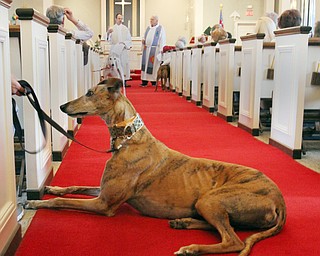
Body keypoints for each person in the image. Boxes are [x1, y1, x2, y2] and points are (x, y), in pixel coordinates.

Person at [105, 13, 132, 82]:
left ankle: (124, 80)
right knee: (115, 65)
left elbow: (129, 39)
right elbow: (108, 39)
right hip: (115, 49)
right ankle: (116, 80)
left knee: (123, 64)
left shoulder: (125, 29)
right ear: (115, 19)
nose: (120, 20)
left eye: (121, 18)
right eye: (119, 18)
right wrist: (108, 33)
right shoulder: (112, 28)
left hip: (123, 50)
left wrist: (124, 44)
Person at [140, 15, 166, 87]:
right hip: (146, 49)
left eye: (152, 19)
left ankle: (154, 81)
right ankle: (144, 81)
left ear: (156, 21)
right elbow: (144, 36)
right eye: (150, 19)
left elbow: (162, 39)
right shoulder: (148, 28)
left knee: (154, 67)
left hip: (155, 50)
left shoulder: (160, 29)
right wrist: (143, 40)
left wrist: (161, 49)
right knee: (145, 66)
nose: (150, 21)